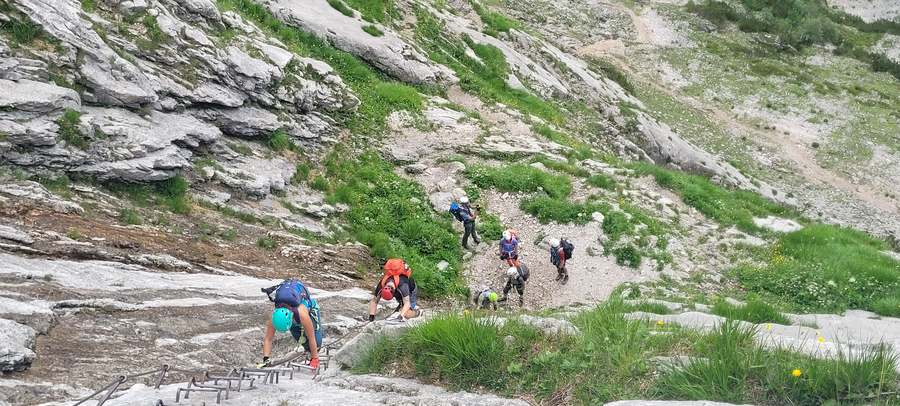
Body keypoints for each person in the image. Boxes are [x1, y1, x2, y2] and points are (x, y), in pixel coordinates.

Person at [259, 280, 322, 369]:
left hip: (310, 312)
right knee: (303, 342)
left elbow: (311, 337)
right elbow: (268, 339)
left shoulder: (302, 315)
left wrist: (315, 359)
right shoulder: (274, 318)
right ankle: (308, 350)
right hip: (293, 319)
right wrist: (265, 359)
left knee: (317, 341)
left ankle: (314, 353)